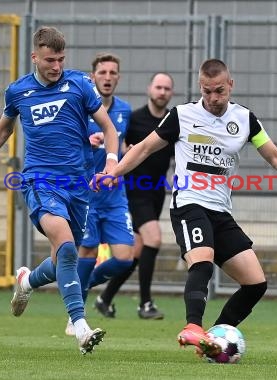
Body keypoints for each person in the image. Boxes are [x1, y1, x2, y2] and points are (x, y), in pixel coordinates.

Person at [92, 58, 277, 357]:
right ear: (201, 87)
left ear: (230, 85)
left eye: (219, 91)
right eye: (207, 91)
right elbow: (144, 147)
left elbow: (274, 157)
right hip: (188, 205)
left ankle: (214, 339)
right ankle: (192, 327)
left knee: (255, 283)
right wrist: (113, 173)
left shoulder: (246, 120)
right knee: (203, 261)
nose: (213, 98)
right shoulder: (182, 115)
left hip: (221, 212)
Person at [0, 26, 119, 355]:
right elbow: (3, 129)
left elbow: (109, 127)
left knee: (61, 261)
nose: (56, 66)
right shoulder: (19, 91)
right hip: (40, 181)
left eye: (60, 60)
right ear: (35, 57)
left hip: (79, 185)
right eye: (49, 60)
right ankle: (81, 327)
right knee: (68, 248)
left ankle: (27, 281)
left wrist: (111, 162)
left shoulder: (79, 85)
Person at [93, 72, 175, 320]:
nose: (162, 92)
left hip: (157, 191)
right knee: (154, 239)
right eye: (158, 87)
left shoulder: (174, 120)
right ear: (149, 89)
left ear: (171, 93)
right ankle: (145, 304)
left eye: (167, 89)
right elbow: (116, 139)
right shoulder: (135, 118)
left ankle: (104, 298)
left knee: (136, 253)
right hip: (134, 190)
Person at [64, 52, 134, 335]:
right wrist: (88, 143)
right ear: (92, 77)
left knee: (125, 257)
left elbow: (122, 143)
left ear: (118, 77)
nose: (107, 78)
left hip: (115, 196)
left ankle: (83, 284)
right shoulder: (80, 110)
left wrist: (123, 152)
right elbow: (66, 147)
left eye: (112, 73)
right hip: (87, 195)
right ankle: (75, 316)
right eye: (102, 73)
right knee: (88, 249)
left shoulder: (124, 110)